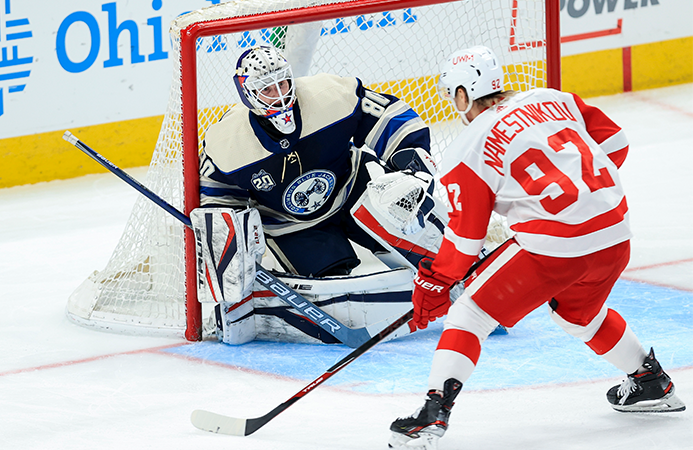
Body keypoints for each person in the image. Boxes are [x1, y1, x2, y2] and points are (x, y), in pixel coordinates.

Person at [387, 45, 686, 450]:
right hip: (615, 232)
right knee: (579, 314)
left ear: (461, 95)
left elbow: (465, 239)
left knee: (470, 313)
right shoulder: (553, 99)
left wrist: (435, 283)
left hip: (556, 248)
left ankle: (431, 416)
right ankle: (650, 381)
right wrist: (584, 197)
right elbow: (615, 142)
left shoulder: (467, 148)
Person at [193, 46, 450, 345]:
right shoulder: (227, 143)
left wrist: (409, 156)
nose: (279, 94)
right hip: (294, 225)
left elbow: (391, 117)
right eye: (266, 90)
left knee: (416, 230)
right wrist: (232, 244)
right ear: (247, 94)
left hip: (356, 187)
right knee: (333, 290)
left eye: (283, 83)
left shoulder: (330, 94)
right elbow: (217, 198)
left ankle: (455, 268)